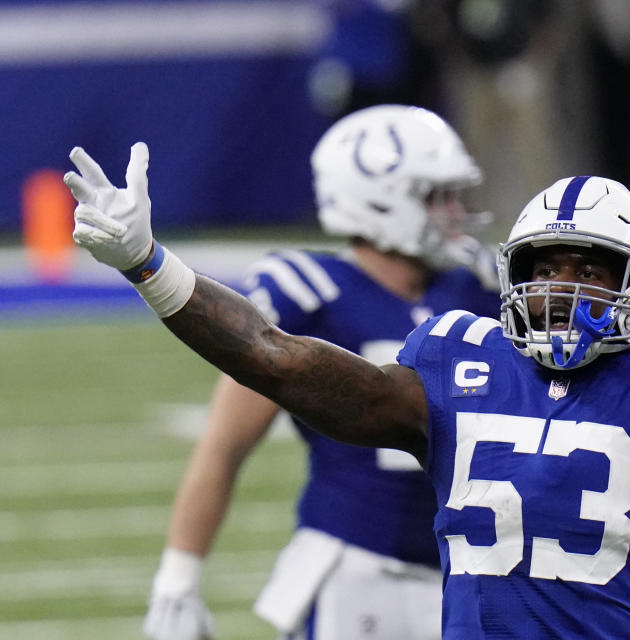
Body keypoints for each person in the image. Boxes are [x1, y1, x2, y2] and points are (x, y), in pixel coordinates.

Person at [67, 66, 630, 638]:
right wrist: (150, 266)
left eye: (591, 269)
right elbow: (275, 356)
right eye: (545, 268)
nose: (562, 290)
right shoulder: (460, 361)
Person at [140, 105, 502, 640]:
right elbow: (223, 446)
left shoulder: (479, 288)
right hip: (358, 569)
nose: (453, 211)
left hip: (474, 571)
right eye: (435, 196)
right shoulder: (312, 293)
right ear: (378, 201)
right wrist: (178, 578)